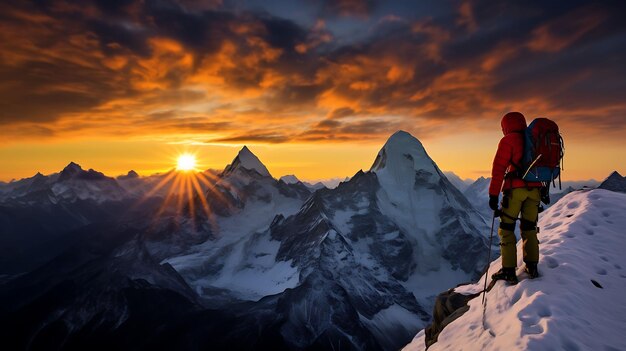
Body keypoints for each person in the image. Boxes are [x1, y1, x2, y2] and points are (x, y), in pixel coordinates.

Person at [488, 112, 547, 284]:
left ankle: (508, 271)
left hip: (515, 190)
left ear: (506, 126)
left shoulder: (508, 141)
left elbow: (499, 169)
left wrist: (493, 195)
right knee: (529, 227)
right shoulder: (534, 140)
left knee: (506, 229)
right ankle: (532, 266)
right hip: (535, 190)